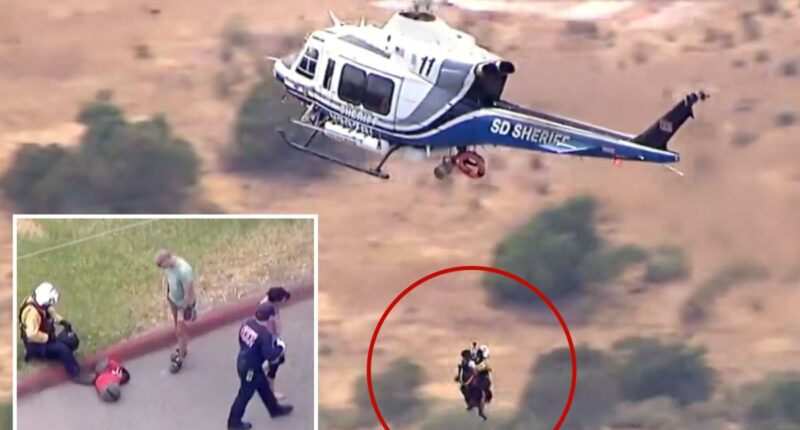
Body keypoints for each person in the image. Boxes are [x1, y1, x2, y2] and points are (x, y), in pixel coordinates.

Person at [227, 301, 293, 430]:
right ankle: (233, 422)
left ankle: (274, 409)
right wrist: (281, 347)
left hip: (245, 361)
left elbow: (241, 340)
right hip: (250, 369)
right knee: (245, 393)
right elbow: (271, 355)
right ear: (270, 317)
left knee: (263, 386)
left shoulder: (247, 323)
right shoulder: (264, 334)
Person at [18, 282, 95, 385]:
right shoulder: (32, 313)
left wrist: (62, 322)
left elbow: (51, 313)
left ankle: (64, 357)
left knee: (72, 340)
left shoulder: (41, 304)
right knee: (62, 349)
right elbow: (31, 334)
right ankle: (76, 374)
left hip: (47, 340)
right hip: (36, 345)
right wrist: (47, 338)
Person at [155, 249, 197, 373]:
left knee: (180, 331)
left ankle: (180, 358)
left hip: (182, 305)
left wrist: (187, 308)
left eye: (161, 265)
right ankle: (182, 348)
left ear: (166, 259)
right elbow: (170, 281)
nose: (162, 268)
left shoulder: (184, 271)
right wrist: (168, 295)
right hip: (173, 300)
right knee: (177, 328)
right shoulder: (169, 268)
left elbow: (188, 292)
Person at [259, 286, 291, 399]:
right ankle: (270, 391)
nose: (284, 301)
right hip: (269, 340)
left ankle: (261, 369)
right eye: (282, 299)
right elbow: (277, 328)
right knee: (275, 364)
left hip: (267, 338)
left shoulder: (266, 302)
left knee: (280, 358)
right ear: (277, 300)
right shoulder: (271, 311)